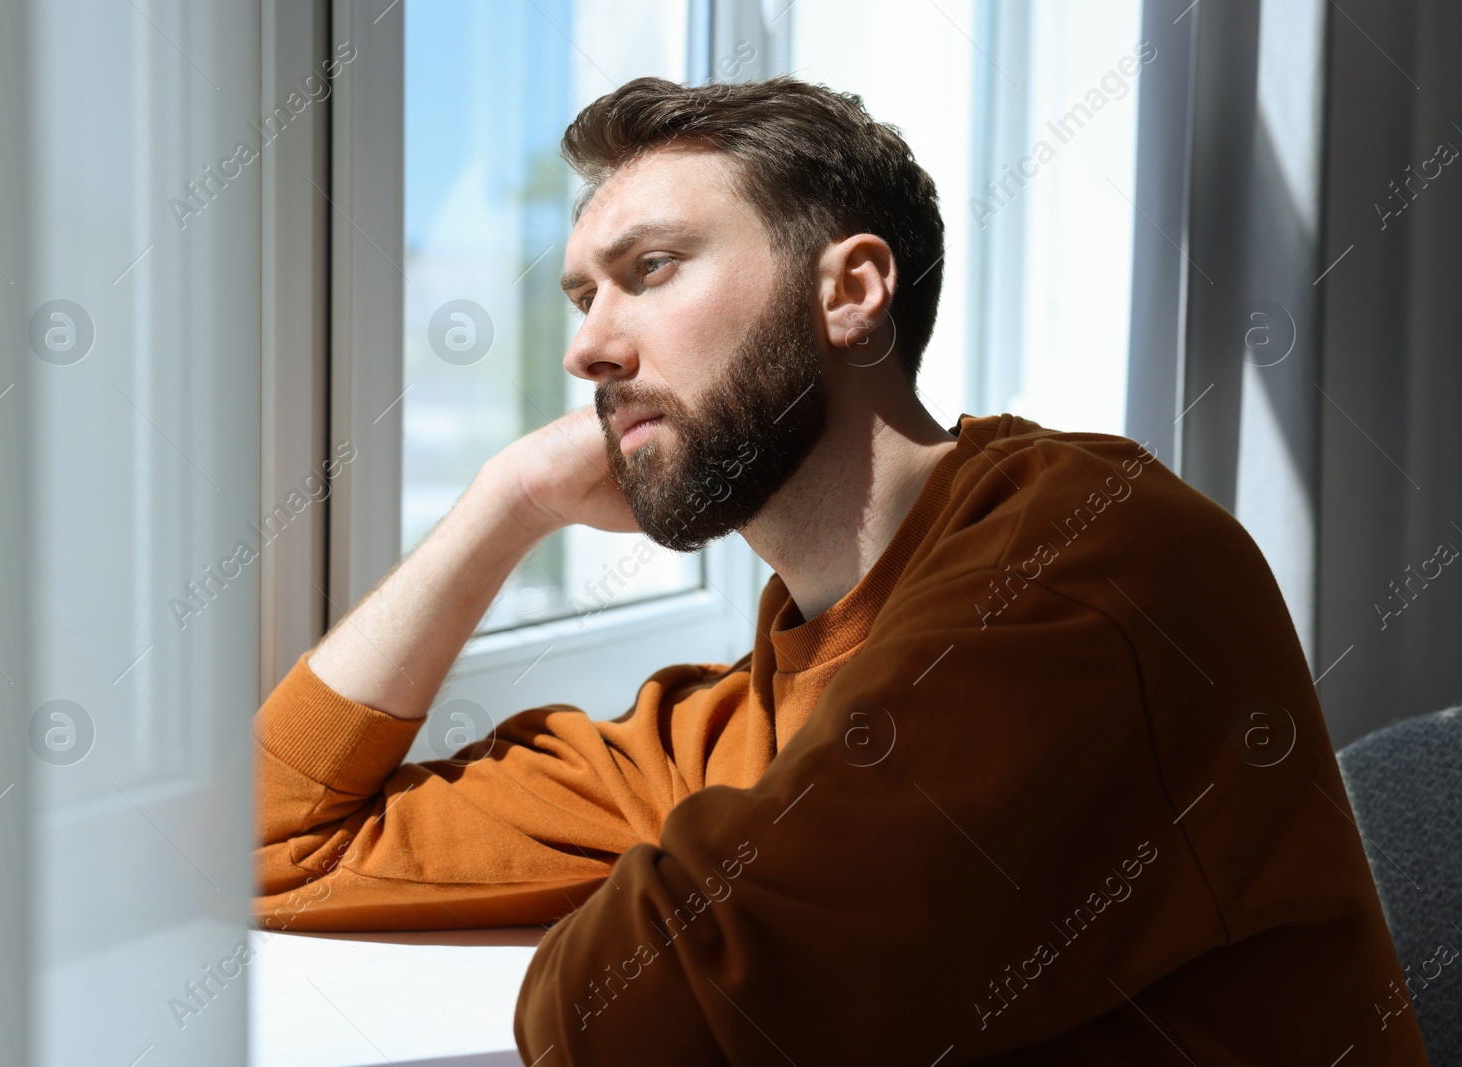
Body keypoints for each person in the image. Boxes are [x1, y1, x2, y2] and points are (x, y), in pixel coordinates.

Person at [253, 76, 1427, 1065]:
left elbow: (662, 1011)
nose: (588, 349)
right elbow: (269, 845)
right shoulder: (734, 718)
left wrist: (667, 887)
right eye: (580, 296)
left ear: (852, 293)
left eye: (649, 268)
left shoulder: (1096, 561)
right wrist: (501, 506)